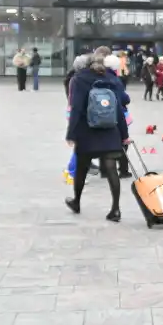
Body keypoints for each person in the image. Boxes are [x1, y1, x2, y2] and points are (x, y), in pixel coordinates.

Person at [64, 54, 130, 222]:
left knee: (82, 169)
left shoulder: (80, 79)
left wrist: (71, 133)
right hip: (110, 131)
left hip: (87, 131)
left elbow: (76, 108)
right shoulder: (112, 79)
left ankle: (76, 202)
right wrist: (124, 135)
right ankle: (116, 209)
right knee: (111, 169)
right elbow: (119, 109)